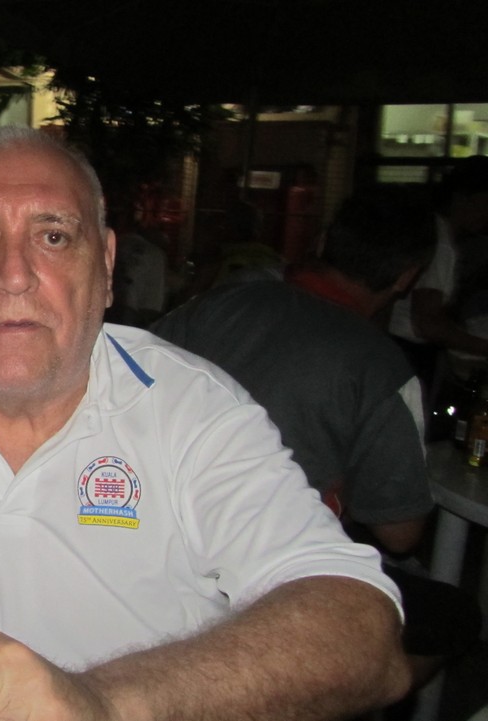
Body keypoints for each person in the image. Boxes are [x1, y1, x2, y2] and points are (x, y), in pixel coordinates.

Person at [0, 127, 408, 721]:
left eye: (53, 236)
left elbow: (360, 629)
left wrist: (99, 703)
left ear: (105, 265)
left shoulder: (191, 408)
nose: (14, 275)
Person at [152, 189, 481, 691]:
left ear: (324, 241)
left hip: (153, 537)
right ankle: (337, 696)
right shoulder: (382, 367)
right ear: (406, 277)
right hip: (260, 577)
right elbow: (401, 532)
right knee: (454, 614)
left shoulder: (218, 303)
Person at [388, 155, 488, 394]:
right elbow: (427, 323)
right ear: (462, 198)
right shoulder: (440, 243)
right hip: (409, 353)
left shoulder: (434, 231)